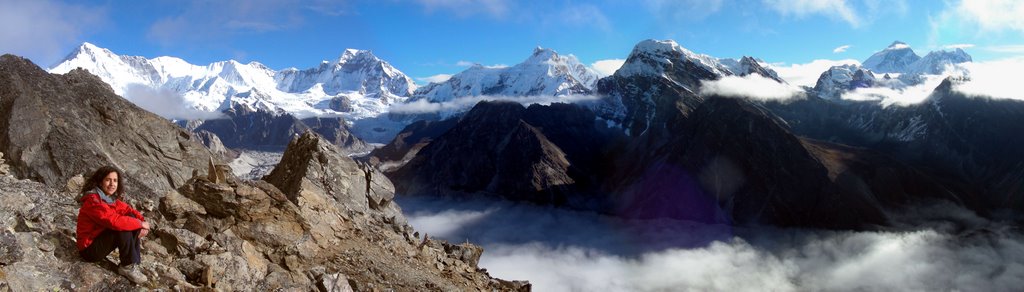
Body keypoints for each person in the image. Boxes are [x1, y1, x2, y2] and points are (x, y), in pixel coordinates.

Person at [76, 166, 150, 284]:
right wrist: (140, 224)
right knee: (121, 226)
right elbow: (113, 221)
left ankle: (132, 264)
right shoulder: (93, 200)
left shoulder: (109, 199)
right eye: (108, 180)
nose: (112, 184)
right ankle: (127, 266)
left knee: (130, 219)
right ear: (100, 182)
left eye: (115, 180)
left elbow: (128, 210)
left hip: (99, 242)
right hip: (89, 250)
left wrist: (143, 222)